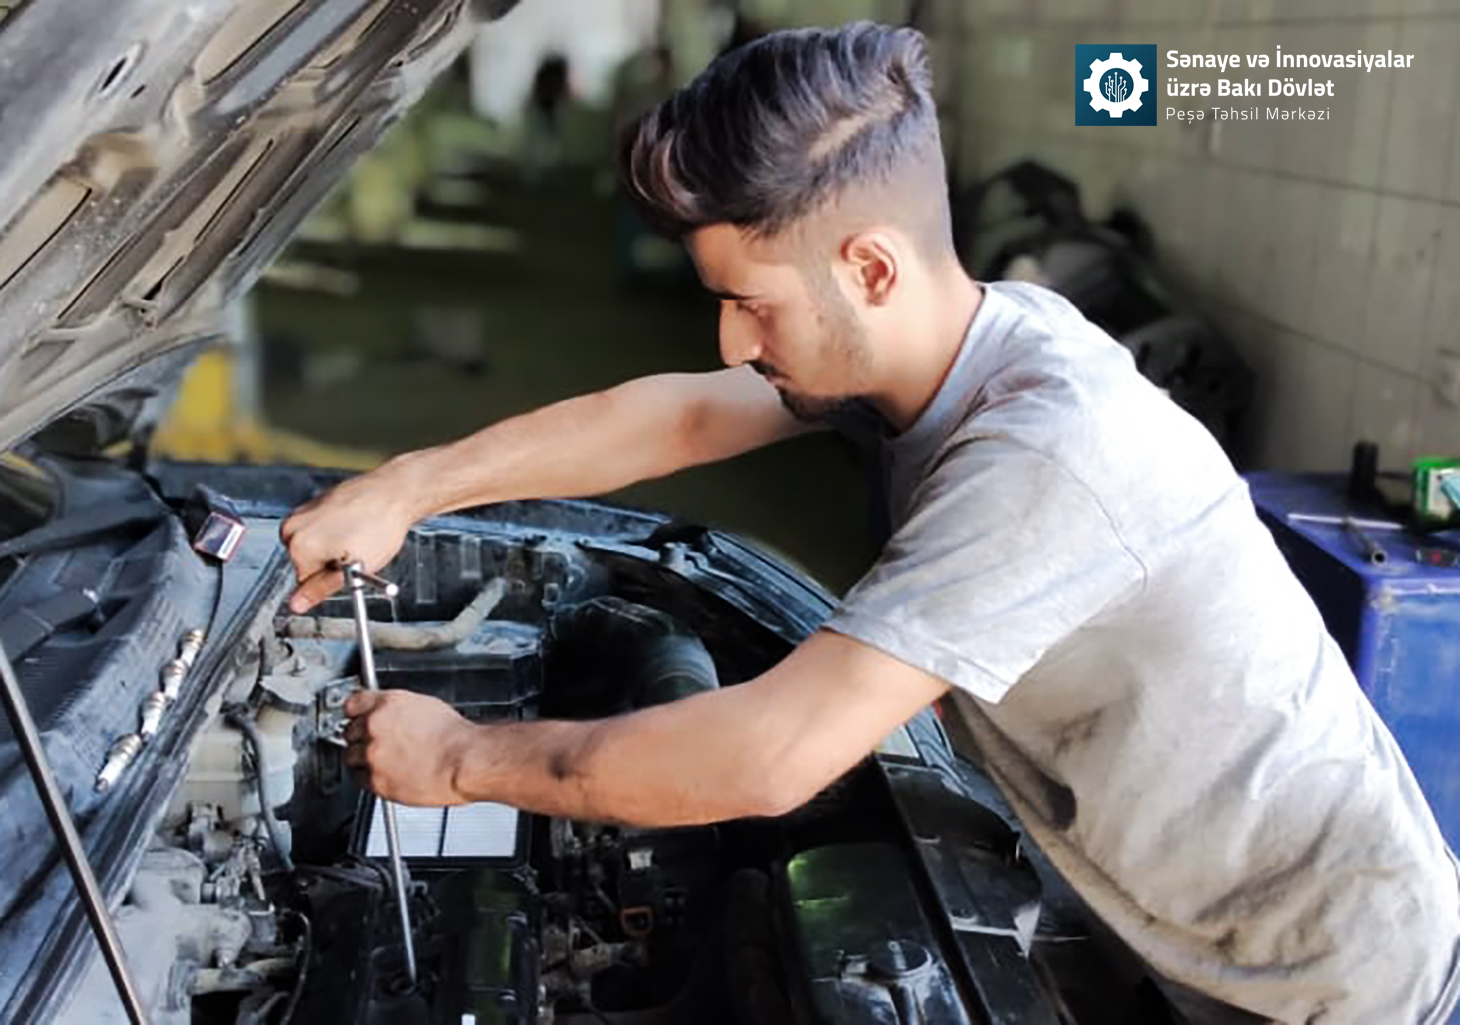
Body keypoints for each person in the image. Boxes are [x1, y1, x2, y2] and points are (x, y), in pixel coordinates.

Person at [280, 22, 1460, 1025]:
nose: (731, 340)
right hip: (1170, 920)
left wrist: (459, 759)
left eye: (751, 304)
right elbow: (681, 415)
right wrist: (410, 486)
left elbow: (766, 756)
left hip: (1328, 983)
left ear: (872, 270)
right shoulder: (947, 343)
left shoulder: (1046, 453)